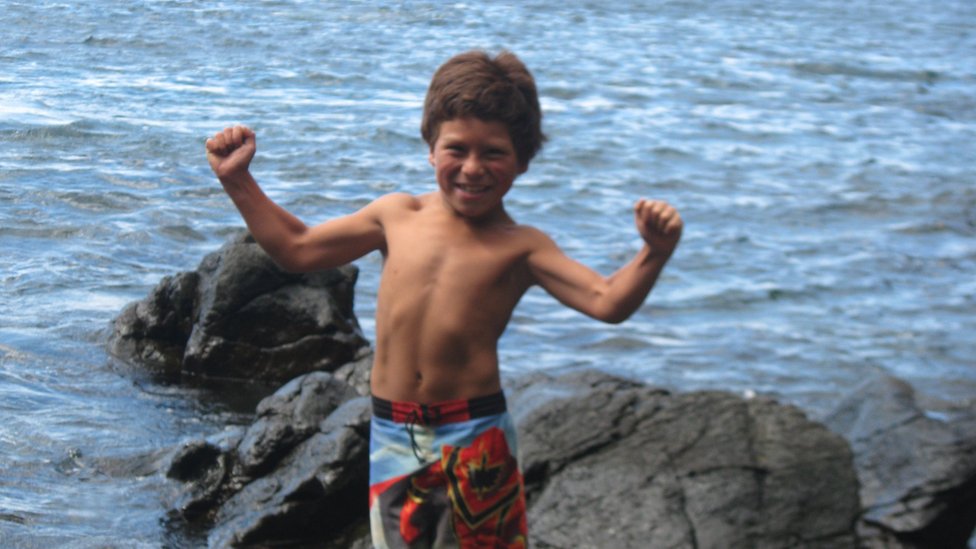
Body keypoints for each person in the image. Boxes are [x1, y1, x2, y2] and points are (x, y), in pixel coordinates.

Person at [205, 50, 682, 549]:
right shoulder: (396, 216)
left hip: (475, 436)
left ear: (522, 161)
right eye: (457, 148)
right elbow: (298, 248)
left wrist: (654, 252)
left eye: (493, 153)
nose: (473, 168)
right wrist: (238, 180)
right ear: (431, 149)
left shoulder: (522, 247)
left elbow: (607, 301)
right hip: (394, 432)